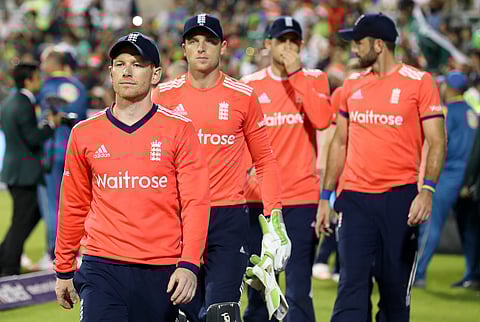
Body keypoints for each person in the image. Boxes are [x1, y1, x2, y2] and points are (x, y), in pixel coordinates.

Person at [54, 32, 211, 321]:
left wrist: (189, 263)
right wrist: (64, 268)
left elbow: (195, 202)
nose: (127, 71)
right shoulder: (85, 133)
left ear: (156, 75)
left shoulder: (179, 130)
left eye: (138, 64)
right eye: (120, 63)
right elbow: (72, 205)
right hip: (102, 266)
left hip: (162, 270)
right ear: (110, 72)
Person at [152, 14, 284, 322]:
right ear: (183, 48)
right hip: (177, 218)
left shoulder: (243, 96)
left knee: (221, 312)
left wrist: (274, 216)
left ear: (223, 47)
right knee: (184, 312)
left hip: (227, 217)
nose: (201, 49)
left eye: (209, 41)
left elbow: (264, 160)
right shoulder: (163, 97)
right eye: (194, 42)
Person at [315, 13, 446, 322]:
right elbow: (339, 143)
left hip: (400, 200)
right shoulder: (351, 86)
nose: (354, 50)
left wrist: (427, 191)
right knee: (351, 289)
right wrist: (326, 196)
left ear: (379, 45)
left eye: (359, 43)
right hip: (355, 200)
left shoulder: (420, 83)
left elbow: (437, 141)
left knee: (394, 293)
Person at [240, 16, 331, 322]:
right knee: (259, 285)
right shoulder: (250, 86)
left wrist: (296, 74)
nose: (288, 47)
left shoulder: (315, 78)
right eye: (282, 41)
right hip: (259, 198)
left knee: (298, 290)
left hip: (301, 198)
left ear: (302, 45)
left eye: (294, 41)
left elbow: (321, 120)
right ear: (268, 44)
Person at [415, 71, 477, 288]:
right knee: (469, 228)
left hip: (449, 173)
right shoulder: (472, 111)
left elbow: (440, 142)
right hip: (470, 177)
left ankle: (418, 273)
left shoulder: (447, 111)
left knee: (430, 224)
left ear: (450, 88)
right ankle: (472, 275)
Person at [0, 63, 61, 276]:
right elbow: (33, 138)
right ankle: (8, 268)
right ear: (28, 80)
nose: (40, 81)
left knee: (29, 216)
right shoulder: (24, 103)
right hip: (24, 173)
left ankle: (4, 258)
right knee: (22, 220)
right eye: (37, 77)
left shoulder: (10, 101)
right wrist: (51, 125)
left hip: (15, 170)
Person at [37, 46, 88, 266]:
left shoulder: (42, 87)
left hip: (49, 151)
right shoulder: (77, 86)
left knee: (51, 204)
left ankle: (54, 254)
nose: (41, 66)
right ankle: (77, 251)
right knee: (76, 204)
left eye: (43, 62)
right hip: (74, 151)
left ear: (51, 64)